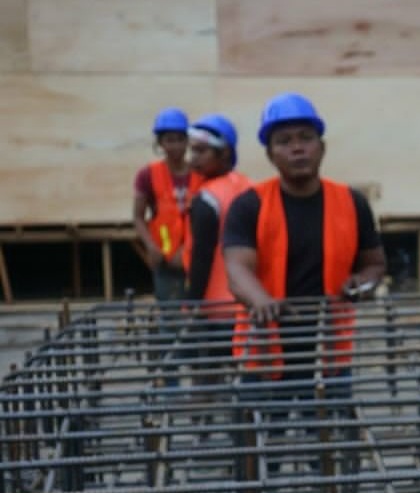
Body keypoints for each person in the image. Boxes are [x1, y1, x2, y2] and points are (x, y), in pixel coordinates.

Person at [223, 92, 387, 395]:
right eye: (284, 141)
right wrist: (260, 300)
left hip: (330, 349)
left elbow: (374, 262)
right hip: (265, 348)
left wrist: (363, 282)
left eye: (306, 138)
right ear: (271, 154)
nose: (297, 148)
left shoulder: (352, 202)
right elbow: (236, 268)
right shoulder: (249, 205)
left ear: (321, 148)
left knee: (327, 434)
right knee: (264, 435)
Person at [184, 113, 252, 377]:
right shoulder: (248, 187)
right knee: (243, 370)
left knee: (212, 375)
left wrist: (192, 303)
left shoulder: (207, 198)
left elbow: (202, 256)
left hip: (215, 306)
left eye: (202, 151)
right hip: (246, 301)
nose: (194, 158)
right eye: (193, 150)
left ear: (224, 154)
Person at [133, 107, 203, 303]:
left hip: (196, 257)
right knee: (170, 316)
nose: (176, 146)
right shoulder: (147, 175)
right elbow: (138, 216)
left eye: (180, 139)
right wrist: (151, 247)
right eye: (169, 140)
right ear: (160, 142)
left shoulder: (201, 172)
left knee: (199, 313)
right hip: (164, 259)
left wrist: (188, 250)